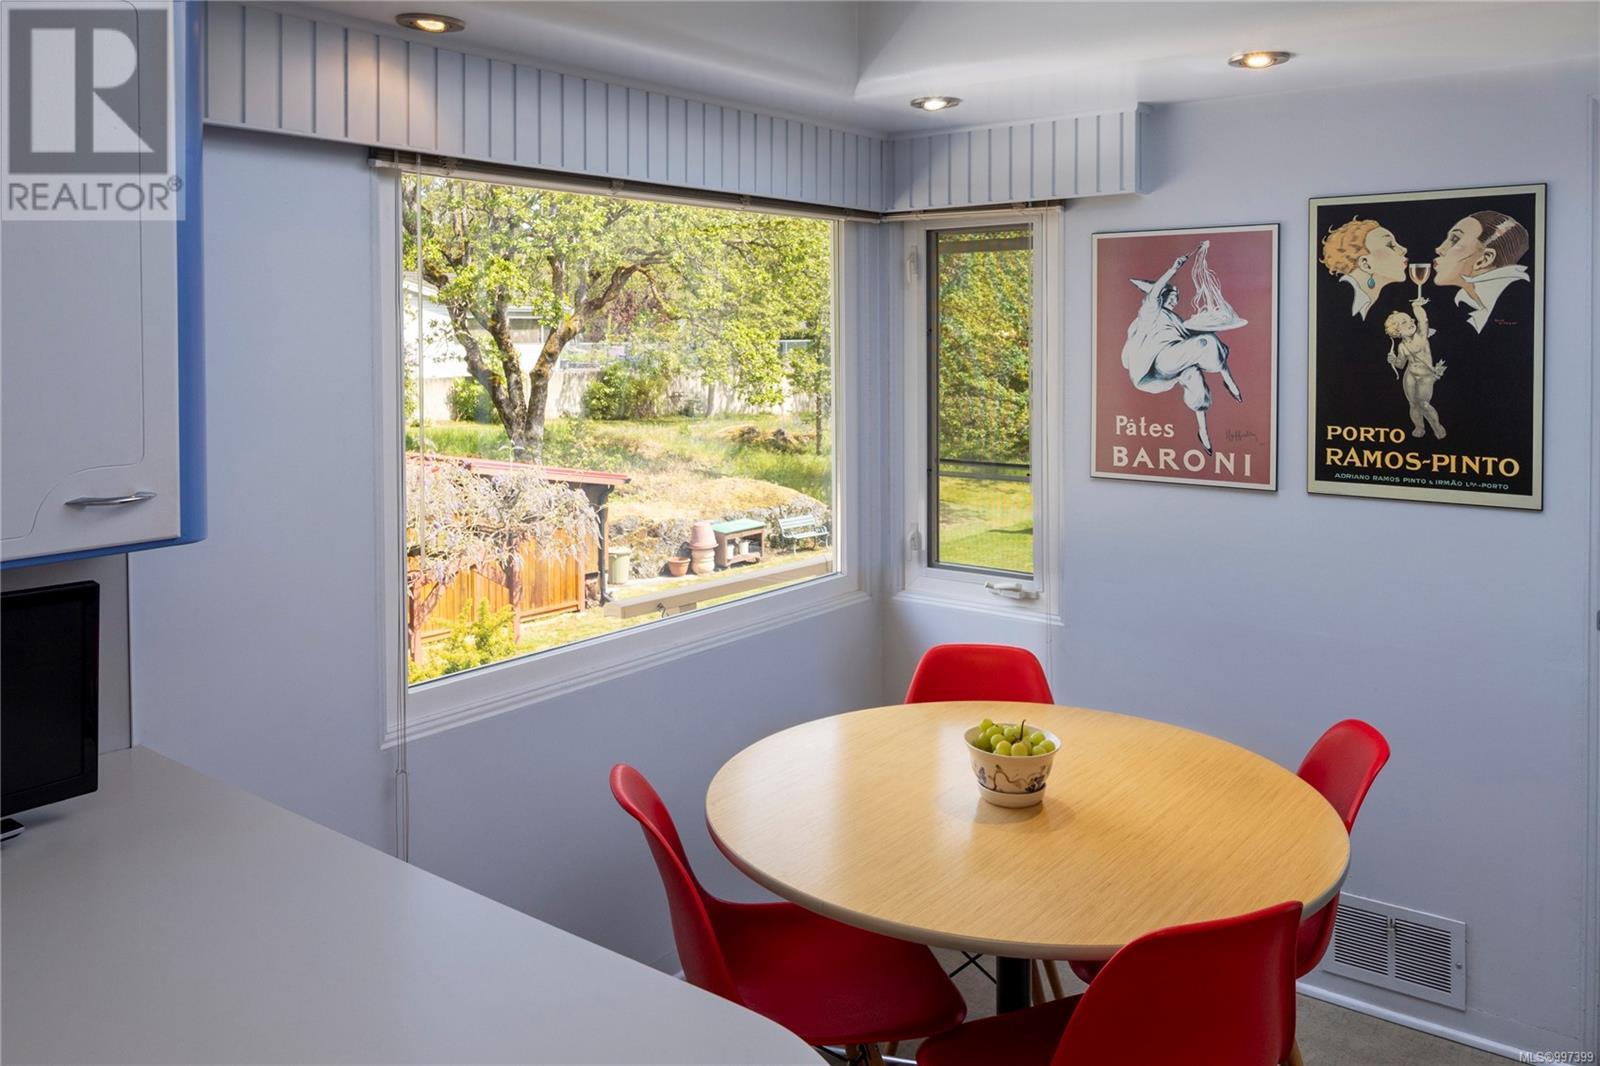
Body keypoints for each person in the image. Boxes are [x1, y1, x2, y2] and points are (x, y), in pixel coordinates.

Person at [1120, 242, 1242, 455]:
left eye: (1176, 296)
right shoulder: (1151, 313)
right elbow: (1154, 294)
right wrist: (1173, 269)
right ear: (1163, 297)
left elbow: (1187, 339)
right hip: (1163, 361)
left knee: (1195, 379)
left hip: (1175, 363)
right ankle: (1227, 379)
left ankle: (1203, 431)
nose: (1176, 299)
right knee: (1207, 342)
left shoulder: (1175, 319)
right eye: (1173, 295)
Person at [1432, 210, 1530, 333]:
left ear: (1484, 259)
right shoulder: (1475, 306)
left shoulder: (1514, 307)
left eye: (1455, 239)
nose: (1439, 249)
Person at [1320, 217, 1409, 320]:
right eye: (1391, 245)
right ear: (1365, 264)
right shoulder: (1338, 300)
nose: (1404, 249)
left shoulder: (1369, 301)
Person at [1384, 298, 1447, 439]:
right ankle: (1419, 427)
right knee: (1413, 404)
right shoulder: (1401, 346)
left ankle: (1436, 426)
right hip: (1410, 375)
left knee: (1424, 404)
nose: (1411, 322)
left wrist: (1415, 307)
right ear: (1397, 331)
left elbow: (1423, 320)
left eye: (1410, 319)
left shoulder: (1421, 335)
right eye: (1404, 322)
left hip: (1426, 376)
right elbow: (1401, 365)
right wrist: (1393, 360)